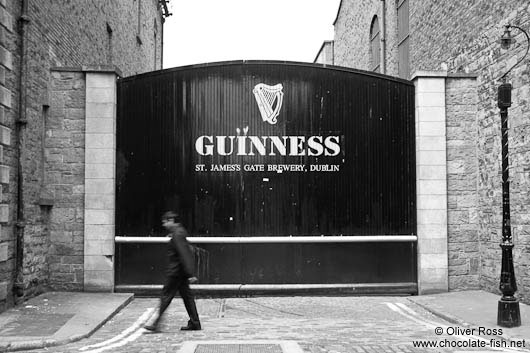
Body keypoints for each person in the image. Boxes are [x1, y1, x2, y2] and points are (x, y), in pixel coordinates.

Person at [144, 211, 201, 332]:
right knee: (187, 298)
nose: (164, 225)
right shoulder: (178, 232)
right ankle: (195, 322)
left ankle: (155, 323)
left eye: (165, 222)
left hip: (176, 273)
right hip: (181, 273)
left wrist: (190, 273)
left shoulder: (177, 234)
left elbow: (184, 254)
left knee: (166, 296)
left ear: (171, 220)